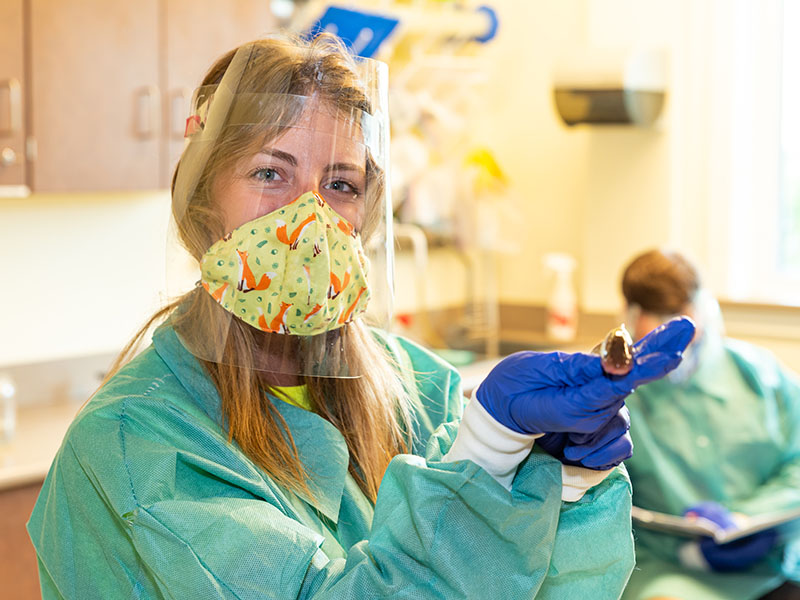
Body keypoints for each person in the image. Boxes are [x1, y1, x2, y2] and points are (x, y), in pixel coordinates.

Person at [26, 35, 693, 599]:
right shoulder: (136, 446)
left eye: (340, 183)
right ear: (203, 199)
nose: (308, 218)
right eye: (270, 173)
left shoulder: (415, 389)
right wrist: (487, 454)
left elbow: (549, 587)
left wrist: (562, 481)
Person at [619, 249, 800, 600]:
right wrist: (686, 551)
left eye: (681, 314)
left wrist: (748, 518)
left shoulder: (763, 377)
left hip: (773, 562)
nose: (674, 332)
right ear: (631, 316)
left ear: (703, 307)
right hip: (668, 572)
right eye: (656, 317)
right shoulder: (617, 399)